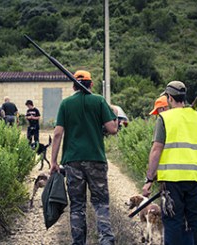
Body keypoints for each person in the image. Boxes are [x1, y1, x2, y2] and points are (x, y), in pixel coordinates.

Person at [50, 70, 118, 245]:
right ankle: (106, 241)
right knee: (101, 203)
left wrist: (53, 161)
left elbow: (57, 134)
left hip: (72, 161)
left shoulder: (66, 104)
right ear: (91, 84)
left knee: (77, 205)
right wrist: (114, 114)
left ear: (74, 85)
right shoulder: (99, 101)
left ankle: (78, 242)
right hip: (96, 159)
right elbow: (112, 129)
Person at [142, 81, 197, 245]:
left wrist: (149, 179)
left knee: (172, 221)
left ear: (169, 98)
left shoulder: (165, 117)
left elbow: (157, 149)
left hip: (172, 180)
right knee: (195, 221)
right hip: (194, 177)